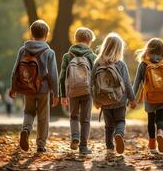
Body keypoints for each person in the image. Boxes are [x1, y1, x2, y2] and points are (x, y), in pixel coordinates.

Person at [9, 19, 58, 153]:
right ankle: (41, 145)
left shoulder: (23, 50)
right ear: (46, 35)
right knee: (43, 117)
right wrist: (56, 93)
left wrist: (13, 86)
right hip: (43, 90)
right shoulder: (49, 52)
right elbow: (53, 74)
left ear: (32, 34)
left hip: (27, 88)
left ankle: (26, 130)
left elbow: (16, 69)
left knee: (28, 112)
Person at [133, 38, 163, 153]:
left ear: (148, 49)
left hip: (150, 97)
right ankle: (160, 133)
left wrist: (131, 98)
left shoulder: (143, 65)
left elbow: (136, 84)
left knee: (151, 120)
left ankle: (152, 144)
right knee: (160, 119)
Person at [91, 33, 136, 154]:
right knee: (120, 121)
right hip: (120, 100)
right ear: (119, 49)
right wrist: (132, 99)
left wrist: (95, 100)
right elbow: (127, 83)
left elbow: (91, 83)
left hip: (104, 100)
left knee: (108, 126)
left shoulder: (98, 63)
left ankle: (109, 147)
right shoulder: (121, 64)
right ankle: (119, 134)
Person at [59, 27, 97, 155]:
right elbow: (97, 76)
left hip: (72, 91)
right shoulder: (92, 56)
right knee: (85, 119)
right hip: (87, 91)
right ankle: (83, 146)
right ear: (90, 41)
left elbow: (62, 76)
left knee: (74, 116)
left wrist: (63, 95)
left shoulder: (67, 56)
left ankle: (75, 137)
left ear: (75, 39)